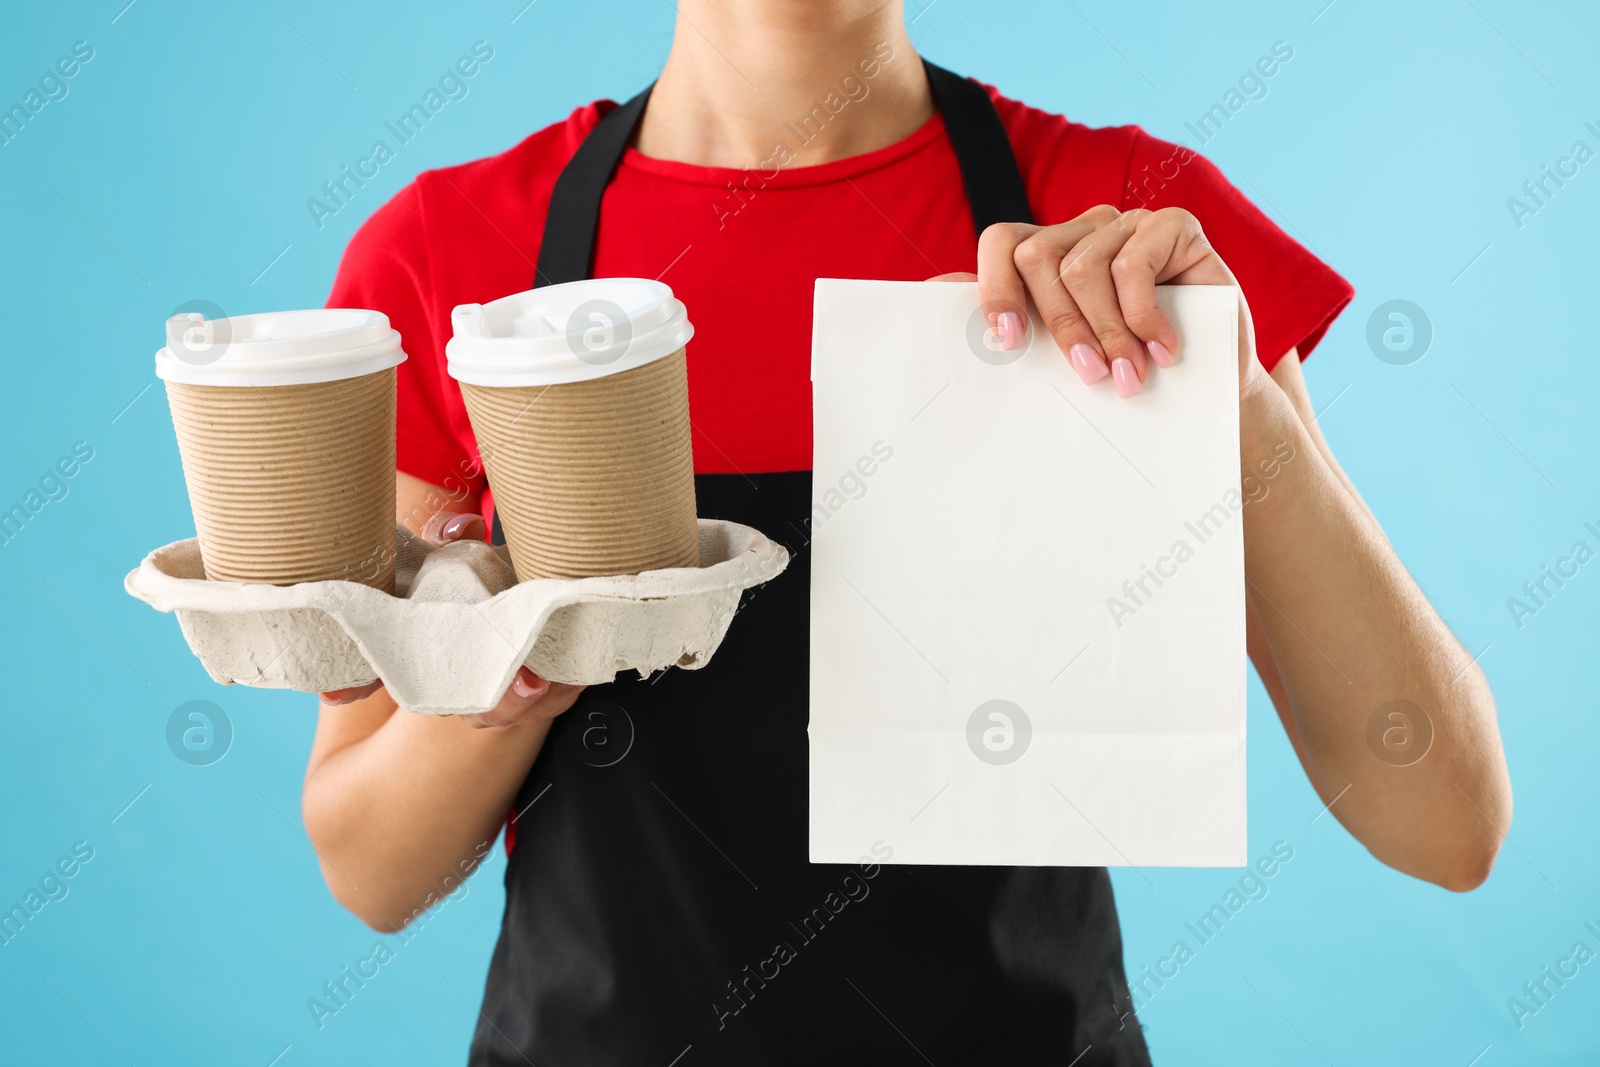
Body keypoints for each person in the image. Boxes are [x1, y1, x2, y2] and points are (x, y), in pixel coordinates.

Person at [302, 2, 1512, 1062]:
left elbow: (1449, 826)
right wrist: (507, 675)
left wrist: (1233, 405)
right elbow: (370, 866)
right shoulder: (446, 257)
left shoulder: (1134, 234)